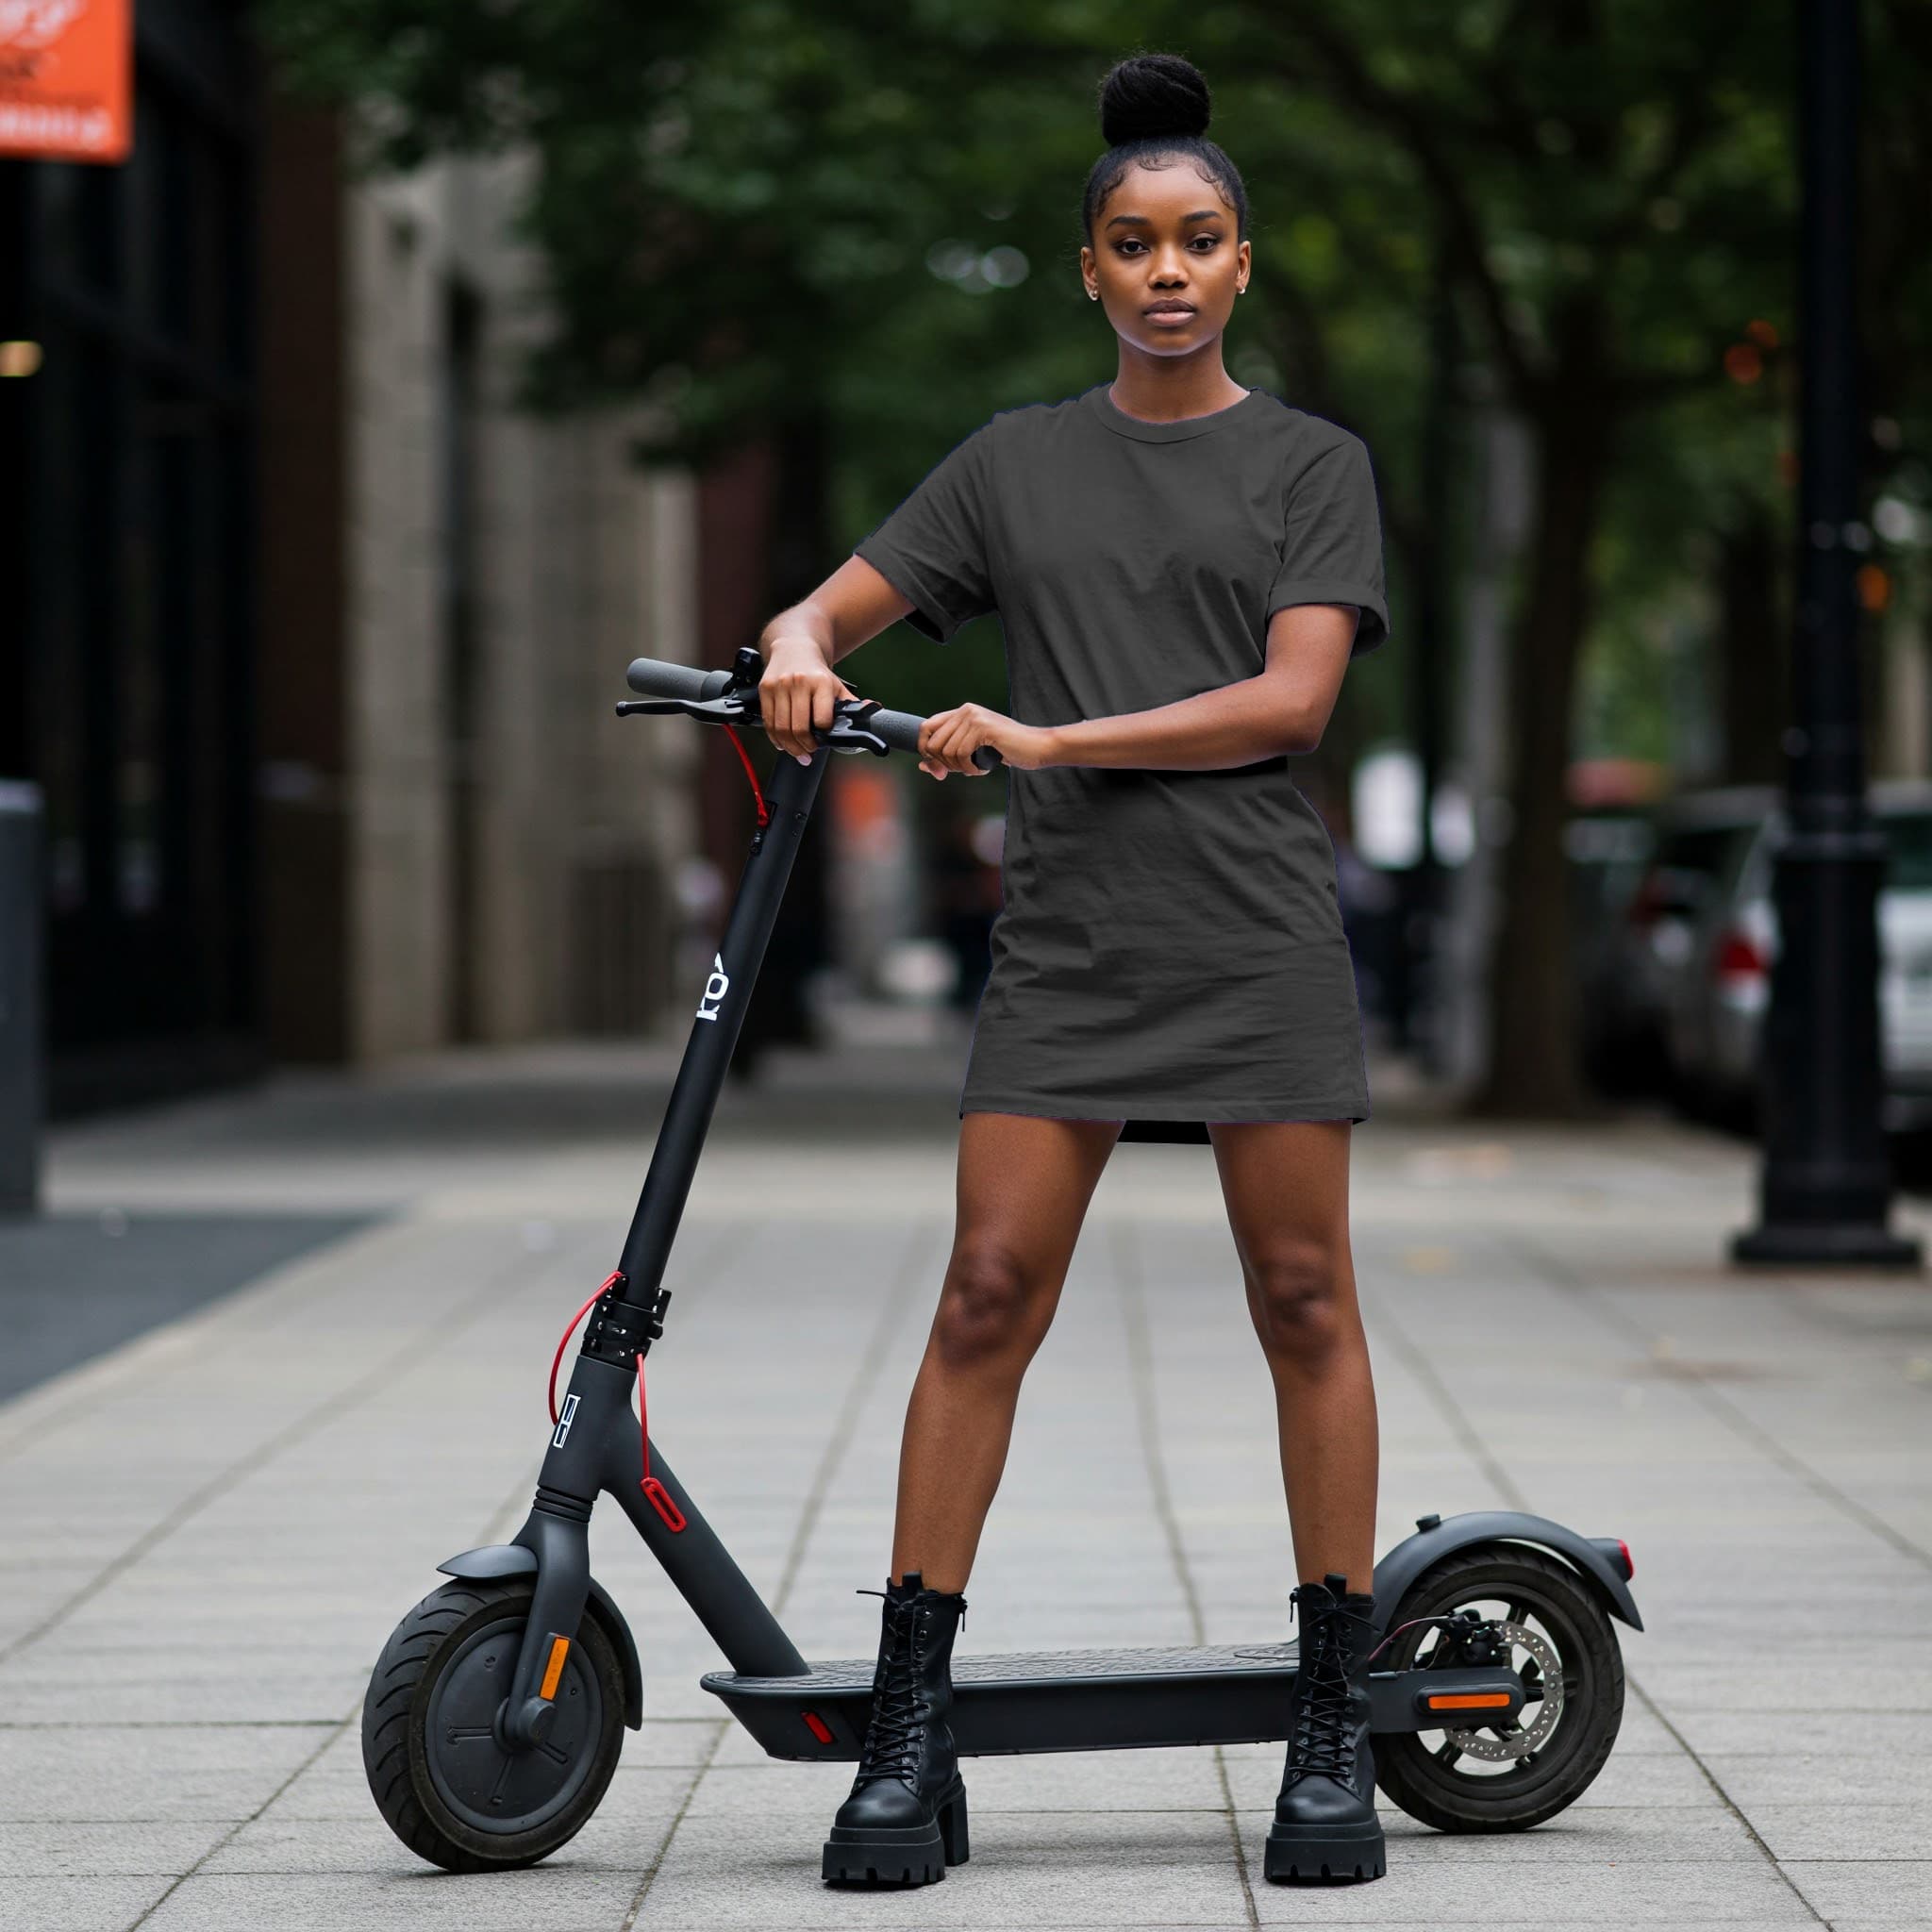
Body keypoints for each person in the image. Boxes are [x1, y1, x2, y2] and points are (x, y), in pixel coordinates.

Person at [754, 49, 1392, 1890]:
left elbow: (1290, 700)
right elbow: (829, 603)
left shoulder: (1311, 464)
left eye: (1200, 240)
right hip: (1069, 948)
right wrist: (797, 640)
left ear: (1243, 267)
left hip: (1254, 925)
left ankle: (1330, 1720)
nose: (1169, 270)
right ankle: (906, 1734)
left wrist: (1038, 741)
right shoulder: (1011, 464)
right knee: (981, 1295)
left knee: (1298, 1297)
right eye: (1134, 243)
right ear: (1090, 271)